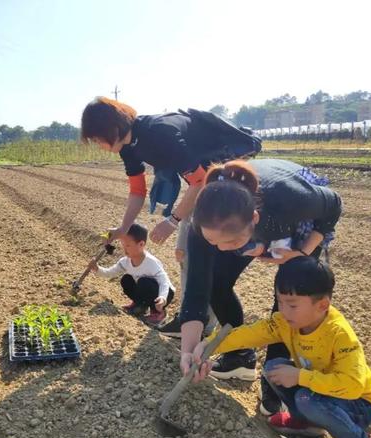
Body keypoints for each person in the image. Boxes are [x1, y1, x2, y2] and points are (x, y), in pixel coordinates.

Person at [167, 158, 342, 416]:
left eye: (232, 241)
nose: (224, 249)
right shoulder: (204, 227)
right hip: (251, 230)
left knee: (288, 301)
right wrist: (189, 351)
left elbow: (333, 206)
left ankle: (275, 381)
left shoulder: (291, 198)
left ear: (254, 219)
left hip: (295, 227)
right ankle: (240, 358)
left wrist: (301, 253)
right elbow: (196, 292)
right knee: (215, 282)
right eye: (215, 242)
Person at [190, 257, 371, 438]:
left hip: (357, 403)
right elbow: (250, 333)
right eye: (280, 302)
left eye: (292, 305)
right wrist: (209, 344)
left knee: (305, 398)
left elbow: (353, 385)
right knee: (273, 368)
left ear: (322, 305)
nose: (284, 311)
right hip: (318, 390)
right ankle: (308, 423)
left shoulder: (339, 335)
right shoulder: (284, 322)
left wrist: (301, 376)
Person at [81, 97, 260, 335]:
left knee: (194, 251)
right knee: (185, 253)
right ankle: (192, 318)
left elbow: (199, 180)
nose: (98, 144)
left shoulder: (159, 133)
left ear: (112, 128)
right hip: (204, 180)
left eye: (97, 139)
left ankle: (200, 322)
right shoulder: (129, 147)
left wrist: (173, 221)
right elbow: (137, 190)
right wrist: (124, 228)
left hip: (221, 177)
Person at [89, 224, 174, 325]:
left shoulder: (151, 262)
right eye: (123, 245)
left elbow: (163, 281)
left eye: (128, 245)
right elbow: (109, 273)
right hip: (146, 289)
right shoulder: (125, 261)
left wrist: (163, 297)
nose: (125, 249)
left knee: (144, 282)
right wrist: (97, 269)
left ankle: (158, 312)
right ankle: (140, 306)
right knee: (126, 279)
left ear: (141, 244)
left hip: (164, 293)